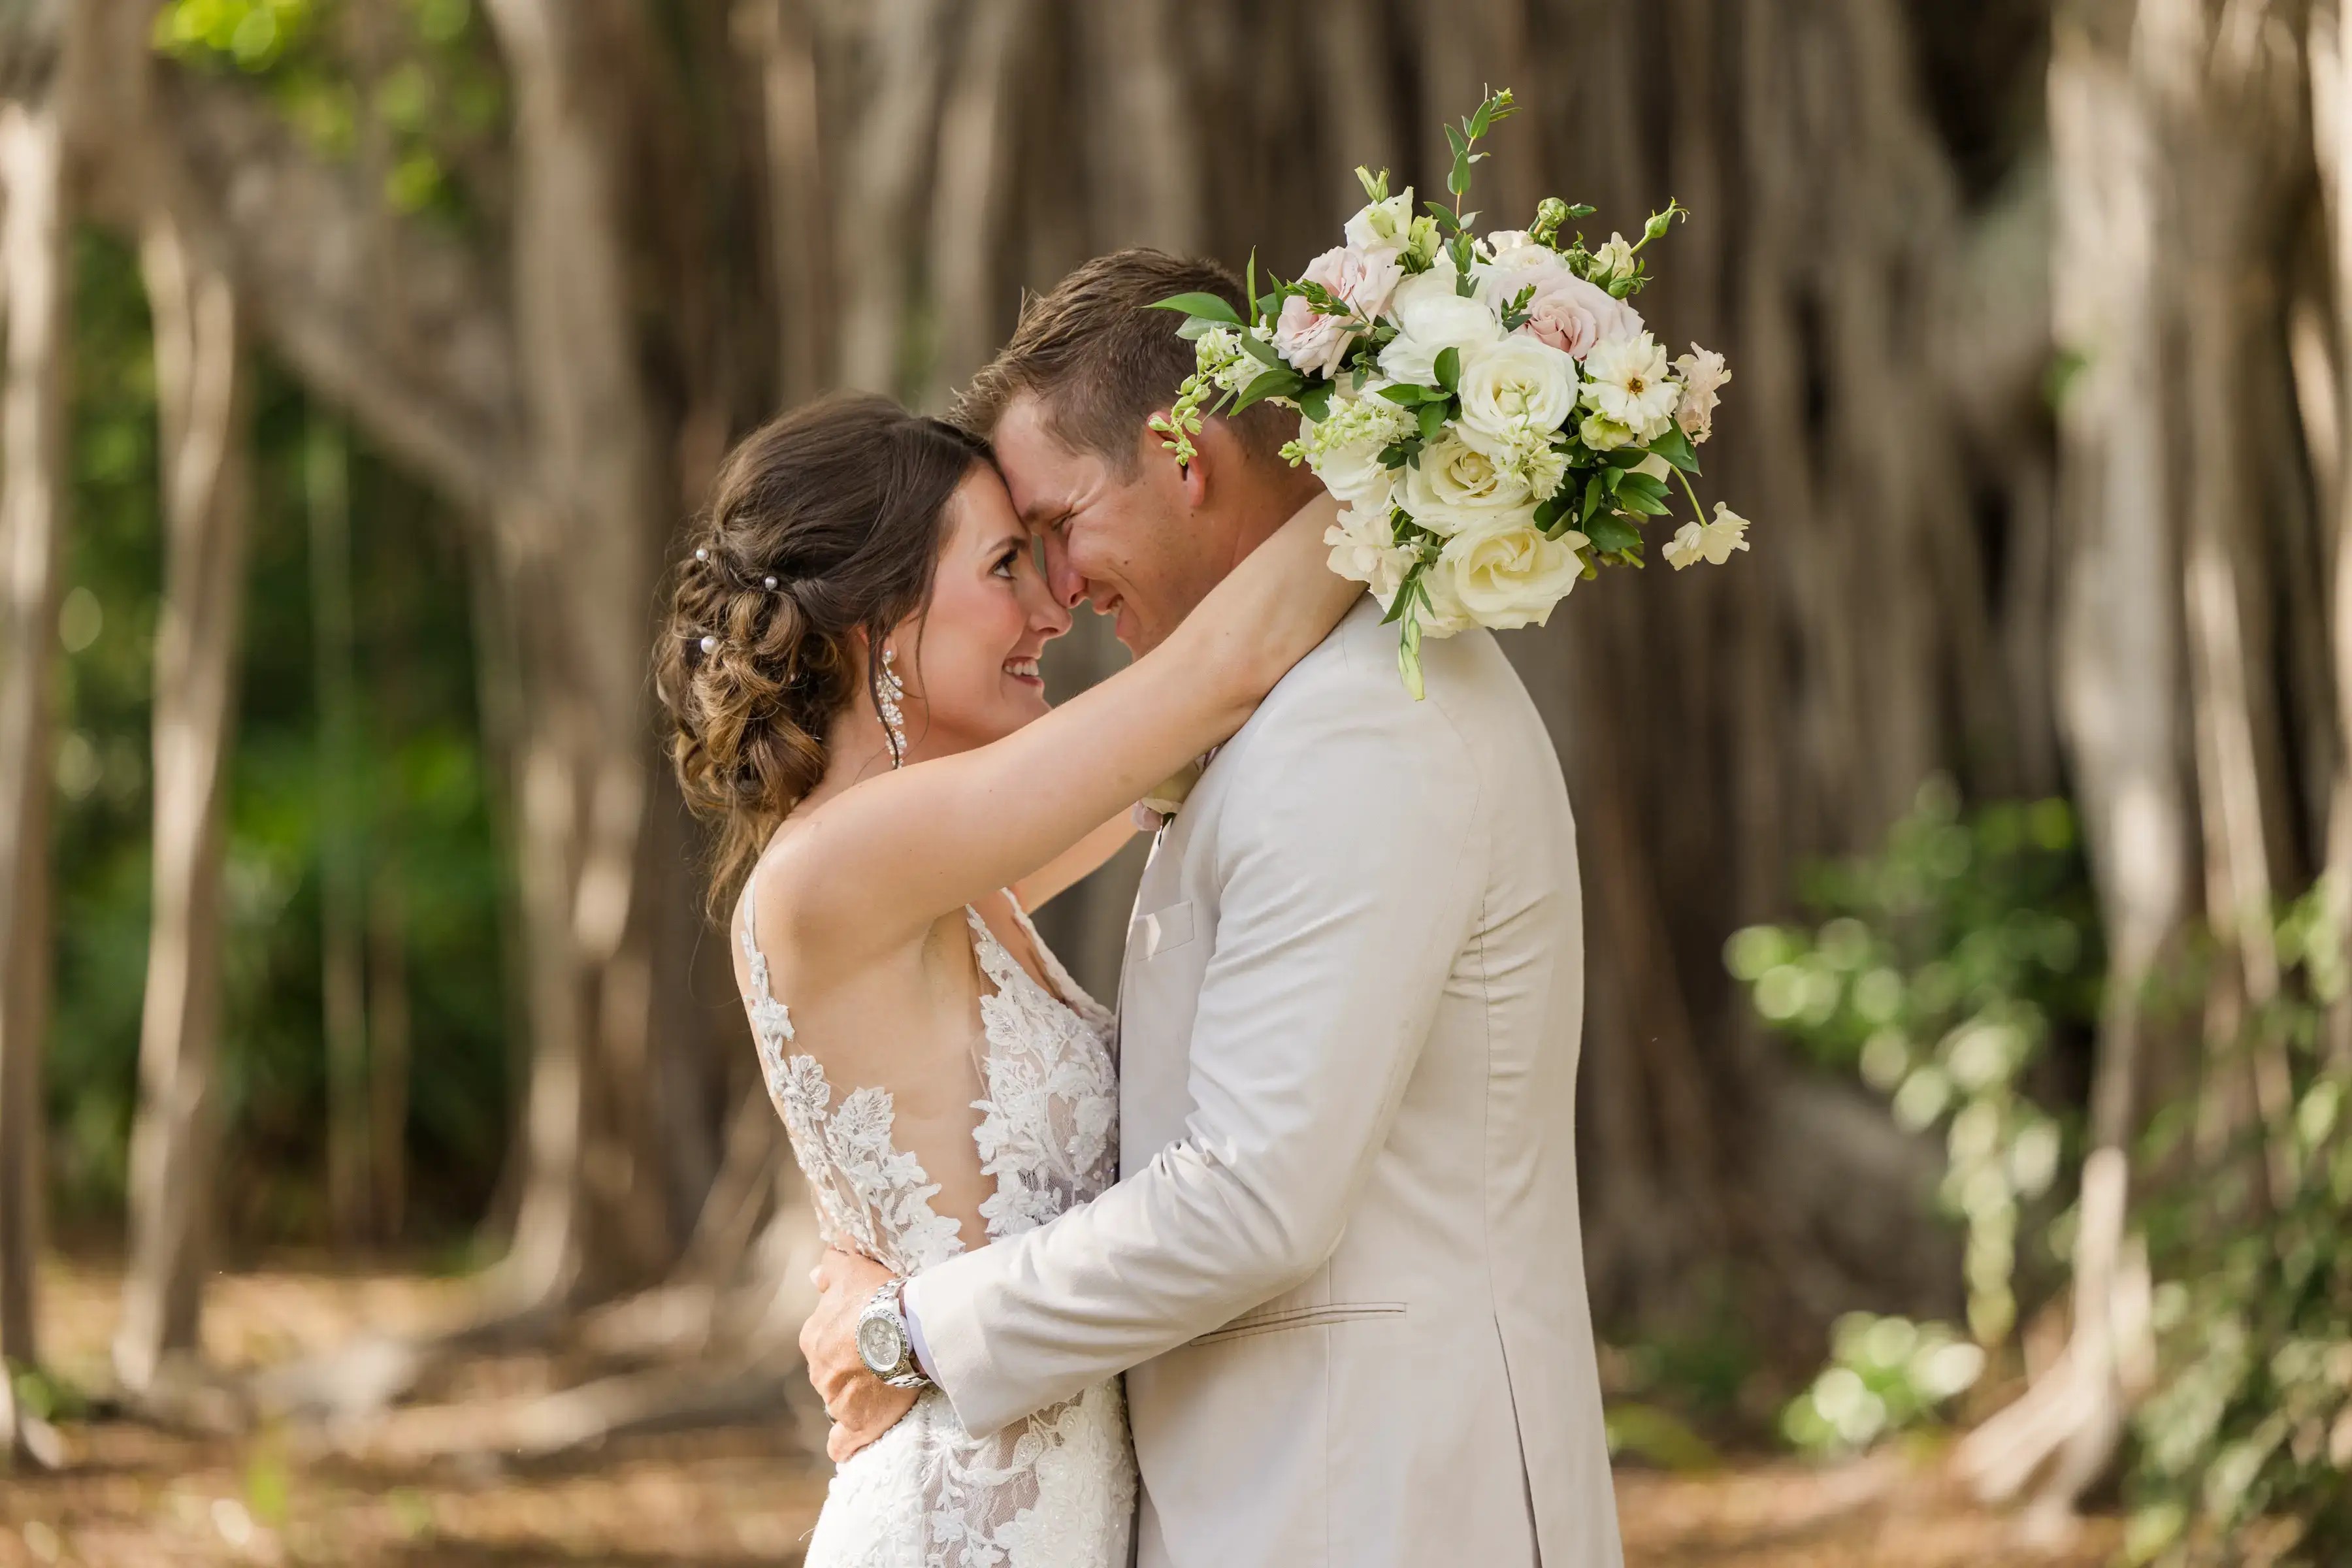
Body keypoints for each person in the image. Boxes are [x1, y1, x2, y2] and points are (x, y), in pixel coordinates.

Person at [800, 251, 1624, 1568]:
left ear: (1186, 456)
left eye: (1057, 530)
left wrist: (915, 1329)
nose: (1059, 595)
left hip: (1385, 1498)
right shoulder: (1291, 710)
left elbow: (1251, 1199)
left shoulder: (1360, 724)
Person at [655, 390, 1356, 1567]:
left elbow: (1179, 762)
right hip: (953, 1527)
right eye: (1003, 568)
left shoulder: (947, 878)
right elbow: (1221, 673)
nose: (1053, 607)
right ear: (879, 618)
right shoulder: (842, 862)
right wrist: (1429, 455)